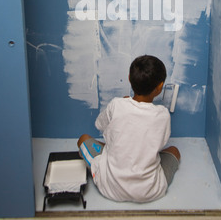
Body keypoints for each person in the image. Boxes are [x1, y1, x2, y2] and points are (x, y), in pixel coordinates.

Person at [77, 55, 180, 203]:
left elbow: (99, 125)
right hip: (150, 191)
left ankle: (117, 150)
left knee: (83, 139)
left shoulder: (116, 104)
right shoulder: (163, 115)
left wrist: (123, 104)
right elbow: (159, 144)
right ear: (159, 87)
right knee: (174, 151)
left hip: (110, 188)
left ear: (129, 79)